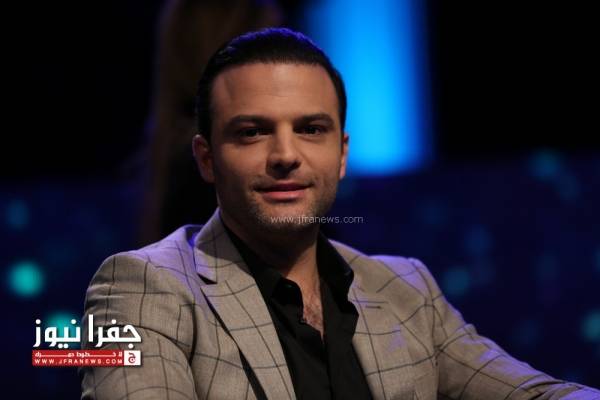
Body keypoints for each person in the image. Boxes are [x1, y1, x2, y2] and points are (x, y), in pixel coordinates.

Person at [79, 28, 600, 399]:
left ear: (342, 154)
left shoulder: (406, 289)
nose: (286, 155)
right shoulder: (141, 289)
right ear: (207, 158)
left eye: (311, 129)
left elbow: (536, 394)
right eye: (252, 132)